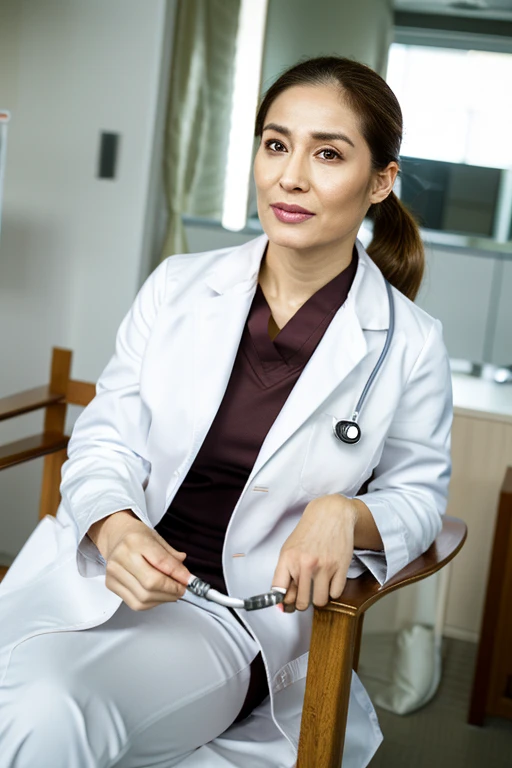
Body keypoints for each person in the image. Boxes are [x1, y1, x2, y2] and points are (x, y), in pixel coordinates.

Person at [0, 56, 452, 767]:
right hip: (103, 574)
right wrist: (115, 528)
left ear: (380, 182)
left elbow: (421, 497)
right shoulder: (178, 286)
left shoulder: (411, 345)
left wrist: (347, 512)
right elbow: (104, 442)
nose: (290, 176)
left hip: (232, 621)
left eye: (327, 153)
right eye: (276, 144)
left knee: (48, 710)